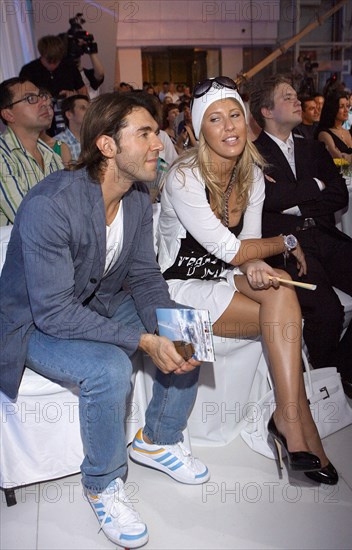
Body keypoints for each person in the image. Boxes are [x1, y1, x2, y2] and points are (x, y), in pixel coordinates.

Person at [0, 92, 209, 548]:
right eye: (145, 133)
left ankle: (159, 438)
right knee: (110, 369)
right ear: (108, 146)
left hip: (98, 300)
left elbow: (145, 274)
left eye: (157, 131)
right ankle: (103, 483)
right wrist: (141, 339)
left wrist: (169, 328)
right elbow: (54, 311)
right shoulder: (50, 204)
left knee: (186, 328)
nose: (159, 143)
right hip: (34, 322)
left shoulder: (135, 196)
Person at [157, 75, 337, 484]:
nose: (229, 127)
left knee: (278, 288)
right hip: (174, 287)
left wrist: (258, 262)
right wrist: (288, 240)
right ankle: (296, 423)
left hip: (220, 278)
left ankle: (289, 417)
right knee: (284, 317)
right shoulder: (185, 177)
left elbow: (248, 244)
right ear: (201, 130)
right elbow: (234, 249)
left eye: (235, 115)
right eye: (215, 119)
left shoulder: (251, 174)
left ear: (246, 120)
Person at [250, 74, 352, 402]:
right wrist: (314, 187)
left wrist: (294, 200)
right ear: (267, 111)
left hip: (325, 234)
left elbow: (341, 195)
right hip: (288, 244)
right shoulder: (254, 154)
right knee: (326, 312)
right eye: (287, 97)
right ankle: (329, 384)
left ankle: (345, 370)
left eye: (295, 95)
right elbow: (267, 200)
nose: (297, 101)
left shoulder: (312, 146)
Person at [0, 77, 64, 225]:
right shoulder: (3, 154)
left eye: (40, 96)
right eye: (30, 99)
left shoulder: (52, 155)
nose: (44, 103)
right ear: (8, 114)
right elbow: (30, 219)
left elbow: (70, 205)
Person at [19, 35, 88, 135]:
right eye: (49, 61)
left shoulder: (69, 66)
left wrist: (74, 96)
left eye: (56, 61)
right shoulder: (29, 71)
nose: (53, 65)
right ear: (42, 55)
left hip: (68, 122)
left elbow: (84, 94)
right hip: (41, 124)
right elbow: (23, 101)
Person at [315, 91, 352, 165]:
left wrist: (346, 157)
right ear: (332, 108)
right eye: (341, 107)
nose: (346, 110)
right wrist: (351, 160)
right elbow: (335, 158)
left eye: (347, 106)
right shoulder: (324, 134)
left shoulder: (351, 132)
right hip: (336, 175)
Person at [53, 94, 90, 162]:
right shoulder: (57, 142)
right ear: (69, 114)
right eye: (83, 108)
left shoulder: (96, 140)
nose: (89, 112)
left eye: (89, 109)